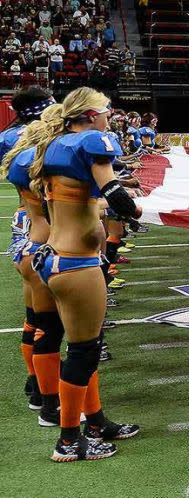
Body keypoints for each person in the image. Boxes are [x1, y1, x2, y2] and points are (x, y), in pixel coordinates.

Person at [29, 87, 141, 461]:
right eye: (107, 109)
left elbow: (82, 196)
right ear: (91, 114)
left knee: (82, 347)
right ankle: (68, 438)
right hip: (76, 265)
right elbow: (116, 196)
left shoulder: (54, 146)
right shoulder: (94, 140)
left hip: (54, 259)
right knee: (83, 351)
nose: (111, 115)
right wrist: (139, 211)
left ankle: (95, 422)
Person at [1, 87, 57, 412]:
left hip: (21, 227)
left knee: (32, 316)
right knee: (50, 324)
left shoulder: (11, 140)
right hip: (45, 233)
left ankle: (33, 380)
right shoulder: (45, 148)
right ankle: (46, 397)